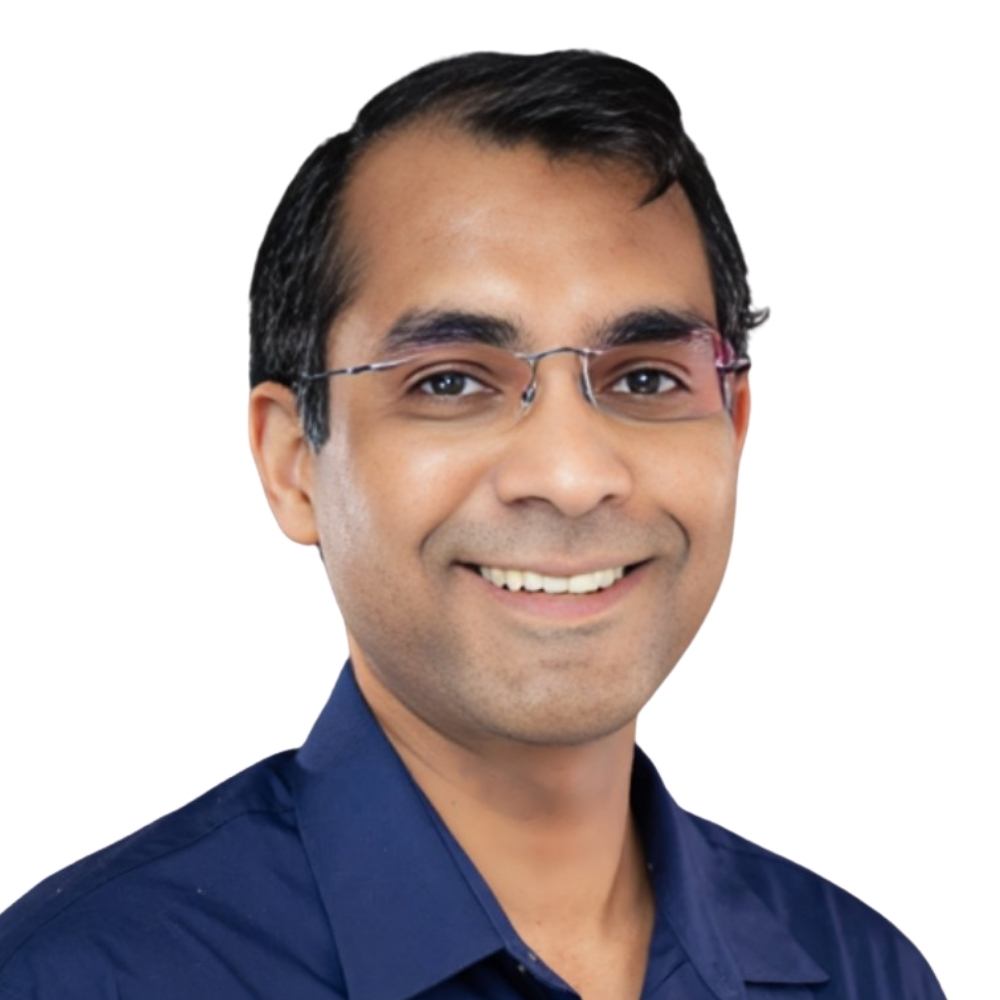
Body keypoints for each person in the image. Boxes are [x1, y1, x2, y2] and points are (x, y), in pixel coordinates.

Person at [0, 50, 946, 1000]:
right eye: (450, 382)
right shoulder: (83, 979)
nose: (571, 477)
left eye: (646, 378)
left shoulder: (865, 974)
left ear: (733, 427)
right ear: (293, 463)